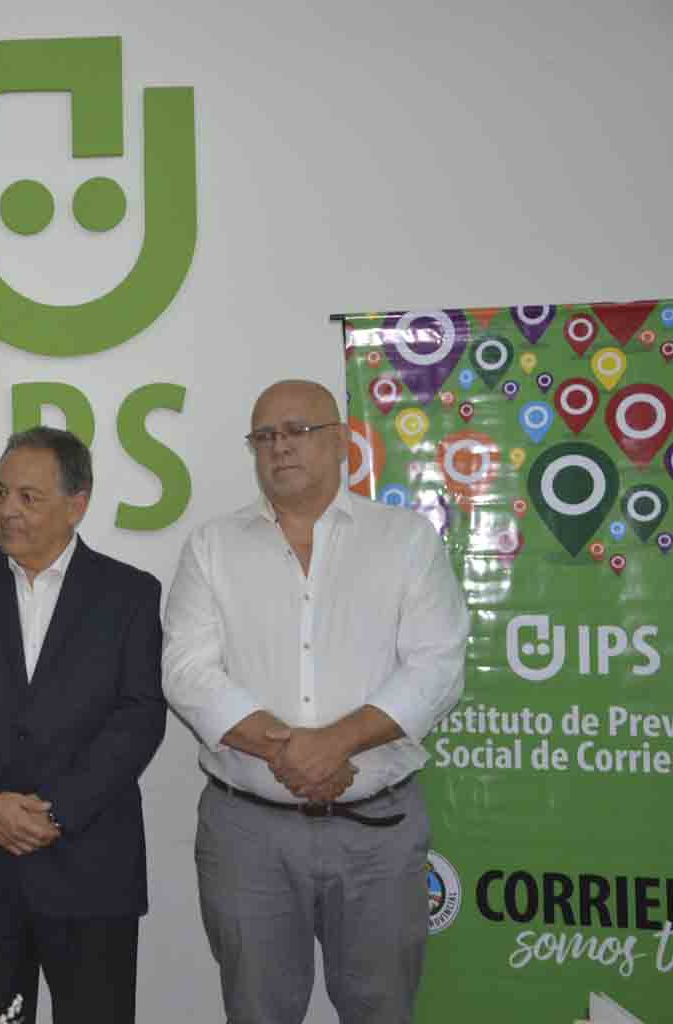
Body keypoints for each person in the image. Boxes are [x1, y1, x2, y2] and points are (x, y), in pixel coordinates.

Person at [162, 379, 470, 1023]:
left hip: (378, 836)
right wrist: (290, 752)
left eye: (298, 430)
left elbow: (437, 667)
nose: (280, 447)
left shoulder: (405, 540)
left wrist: (335, 744)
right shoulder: (212, 546)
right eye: (264, 436)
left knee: (381, 1011)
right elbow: (188, 672)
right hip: (248, 837)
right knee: (257, 1012)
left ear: (341, 441)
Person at [0, 426, 166, 1024]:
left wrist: (59, 811)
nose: (7, 510)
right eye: (1, 492)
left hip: (90, 863)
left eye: (28, 497)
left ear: (77, 505)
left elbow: (139, 716)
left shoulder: (128, 594)